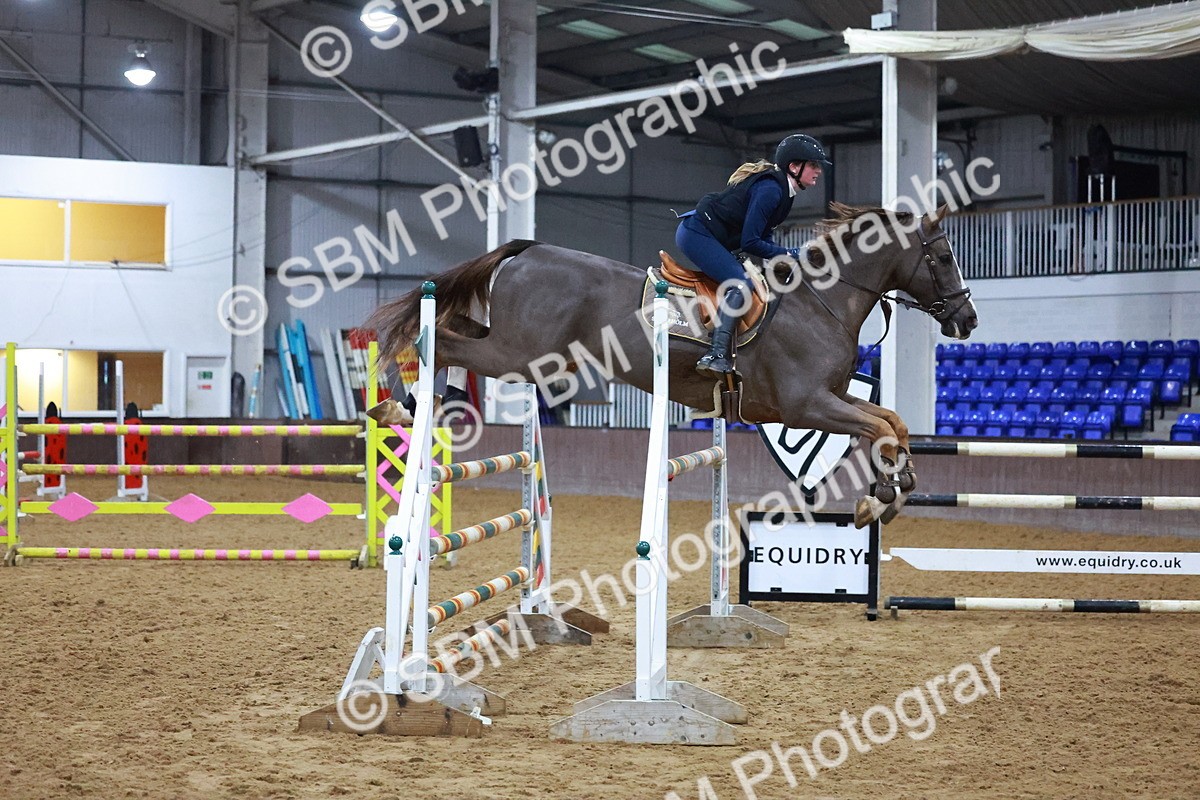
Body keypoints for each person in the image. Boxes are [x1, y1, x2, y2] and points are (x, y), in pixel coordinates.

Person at [675, 133, 831, 378]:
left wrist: (785, 259)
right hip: (696, 233)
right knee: (741, 285)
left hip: (714, 237)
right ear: (794, 167)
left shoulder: (784, 193)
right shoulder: (771, 190)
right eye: (813, 165)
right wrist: (791, 253)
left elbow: (763, 237)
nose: (818, 171)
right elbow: (750, 241)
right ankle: (715, 354)